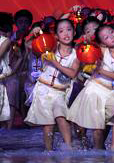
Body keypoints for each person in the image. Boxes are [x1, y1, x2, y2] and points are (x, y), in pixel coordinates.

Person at [67, 24, 114, 150]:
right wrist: (85, 42)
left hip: (112, 91)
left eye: (112, 32)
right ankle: (97, 153)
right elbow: (83, 50)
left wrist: (100, 70)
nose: (112, 37)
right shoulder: (101, 51)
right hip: (95, 89)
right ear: (103, 43)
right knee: (97, 128)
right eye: (106, 37)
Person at [25, 19, 80, 151]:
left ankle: (69, 148)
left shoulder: (76, 53)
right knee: (47, 124)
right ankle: (48, 152)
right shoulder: (50, 48)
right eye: (61, 31)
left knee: (61, 116)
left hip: (60, 92)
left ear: (74, 32)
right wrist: (34, 35)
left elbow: (72, 73)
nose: (66, 33)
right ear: (56, 35)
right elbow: (29, 46)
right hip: (43, 90)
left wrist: (55, 63)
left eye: (69, 29)